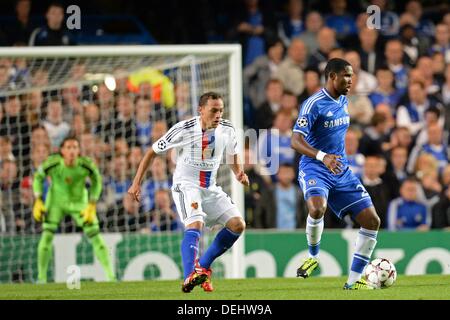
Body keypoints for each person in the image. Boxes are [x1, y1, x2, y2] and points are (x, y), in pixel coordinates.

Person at [128, 92, 249, 293]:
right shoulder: (183, 129)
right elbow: (152, 152)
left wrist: (239, 173)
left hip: (210, 188)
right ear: (200, 110)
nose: (218, 114)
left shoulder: (227, 129)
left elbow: (233, 153)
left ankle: (203, 266)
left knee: (238, 225)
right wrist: (136, 183)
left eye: (221, 110)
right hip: (186, 185)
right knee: (196, 223)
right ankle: (188, 276)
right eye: (213, 110)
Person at [290, 58, 381, 290]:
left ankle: (353, 282)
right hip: (315, 167)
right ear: (332, 76)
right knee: (317, 208)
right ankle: (313, 256)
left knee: (372, 221)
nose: (350, 80)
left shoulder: (343, 100)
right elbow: (295, 140)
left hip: (341, 170)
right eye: (346, 76)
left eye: (351, 76)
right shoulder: (313, 104)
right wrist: (322, 156)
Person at [32, 136, 116, 283]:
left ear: (79, 150)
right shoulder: (52, 163)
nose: (72, 151)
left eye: (75, 147)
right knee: (47, 235)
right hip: (56, 202)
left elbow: (97, 180)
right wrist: (38, 199)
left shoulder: (86, 165)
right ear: (62, 151)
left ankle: (111, 276)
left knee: (95, 236)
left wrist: (92, 203)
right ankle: (41, 278)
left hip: (79, 202)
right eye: (68, 147)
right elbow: (38, 177)